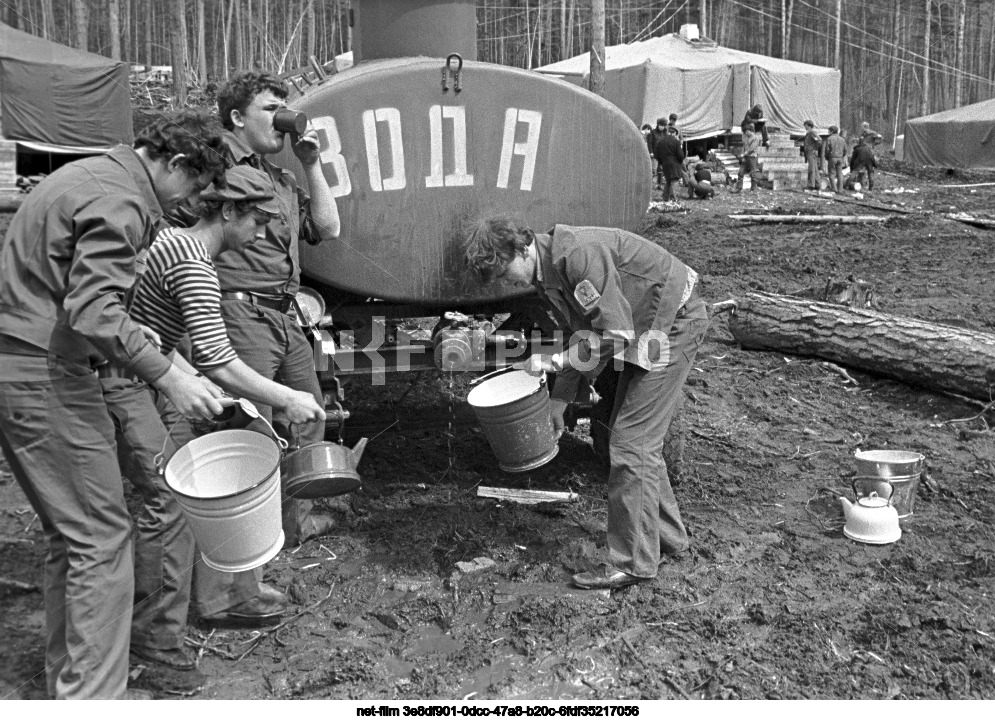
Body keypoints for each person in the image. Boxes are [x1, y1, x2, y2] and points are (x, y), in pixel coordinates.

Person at [0, 110, 228, 699]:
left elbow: (68, 291)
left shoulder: (84, 176)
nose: (191, 202)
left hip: (22, 362)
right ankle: (93, 700)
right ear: (175, 164)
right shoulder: (121, 200)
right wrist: (170, 378)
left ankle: (71, 685)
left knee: (73, 539)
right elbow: (93, 311)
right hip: (44, 374)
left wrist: (136, 338)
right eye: (196, 187)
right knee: (102, 540)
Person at [101, 166, 327, 675]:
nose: (263, 235)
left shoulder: (172, 242)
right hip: (127, 381)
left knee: (175, 494)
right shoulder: (197, 266)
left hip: (146, 375)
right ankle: (153, 641)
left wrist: (182, 377)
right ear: (228, 211)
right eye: (259, 222)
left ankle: (207, 604)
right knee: (168, 502)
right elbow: (219, 360)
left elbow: (149, 325)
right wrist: (287, 397)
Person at [464, 218, 708, 590]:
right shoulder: (547, 274)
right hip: (647, 326)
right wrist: (559, 401)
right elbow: (579, 333)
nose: (506, 283)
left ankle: (634, 563)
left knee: (631, 443)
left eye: (504, 271)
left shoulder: (576, 255)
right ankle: (669, 540)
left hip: (671, 324)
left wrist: (555, 361)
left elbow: (615, 333)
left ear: (523, 247)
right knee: (633, 442)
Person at [214, 70, 342, 547]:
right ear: (236, 117)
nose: (281, 119)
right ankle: (249, 539)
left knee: (310, 415)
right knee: (256, 428)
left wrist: (312, 162)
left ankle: (295, 525)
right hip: (240, 313)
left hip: (286, 315)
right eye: (270, 109)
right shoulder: (214, 166)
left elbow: (327, 229)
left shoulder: (279, 177)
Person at [653, 126, 684, 202]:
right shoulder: (676, 142)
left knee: (668, 180)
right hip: (674, 163)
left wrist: (661, 162)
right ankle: (673, 199)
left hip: (665, 164)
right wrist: (680, 161)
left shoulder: (660, 141)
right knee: (674, 180)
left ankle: (665, 197)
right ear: (674, 133)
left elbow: (656, 155)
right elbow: (680, 155)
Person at [730, 122, 762, 193]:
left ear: (748, 131)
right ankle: (738, 188)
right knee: (740, 173)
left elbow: (751, 148)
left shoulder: (756, 138)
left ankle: (753, 189)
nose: (745, 134)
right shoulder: (745, 137)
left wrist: (743, 154)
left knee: (752, 174)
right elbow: (744, 147)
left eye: (746, 132)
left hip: (752, 157)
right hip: (745, 157)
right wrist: (742, 156)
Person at [823, 125, 848, 193]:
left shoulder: (829, 138)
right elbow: (845, 150)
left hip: (832, 158)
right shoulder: (842, 139)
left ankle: (834, 189)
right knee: (840, 173)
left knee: (831, 173)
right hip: (840, 158)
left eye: (829, 131)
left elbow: (827, 150)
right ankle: (840, 189)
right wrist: (842, 156)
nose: (828, 132)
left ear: (831, 131)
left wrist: (827, 157)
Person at [647, 117, 670, 187]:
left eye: (664, 125)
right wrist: (651, 152)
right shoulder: (653, 132)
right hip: (654, 154)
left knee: (661, 170)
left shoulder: (665, 133)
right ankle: (648, 184)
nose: (662, 127)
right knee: (653, 169)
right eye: (661, 125)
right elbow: (649, 143)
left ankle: (659, 184)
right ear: (658, 125)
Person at [802, 120, 823, 190]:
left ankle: (811, 184)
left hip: (811, 152)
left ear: (808, 125)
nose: (804, 127)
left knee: (811, 169)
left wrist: (815, 148)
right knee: (815, 168)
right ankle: (817, 185)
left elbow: (819, 140)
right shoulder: (809, 133)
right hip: (809, 152)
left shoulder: (812, 132)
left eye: (805, 125)